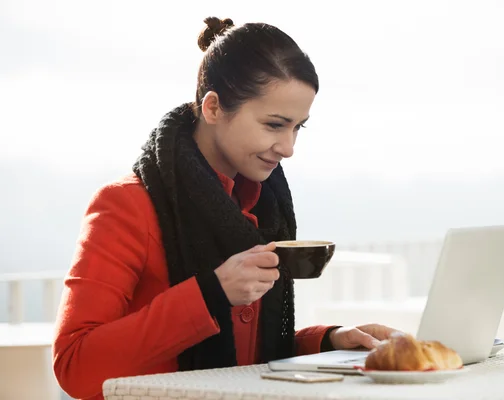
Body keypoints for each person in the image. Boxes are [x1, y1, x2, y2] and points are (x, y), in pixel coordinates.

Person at [52, 17, 399, 400]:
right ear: (214, 108)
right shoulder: (126, 205)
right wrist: (210, 293)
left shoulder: (261, 208)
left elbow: (244, 355)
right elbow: (75, 366)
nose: (289, 147)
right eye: (274, 125)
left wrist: (328, 342)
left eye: (298, 127)